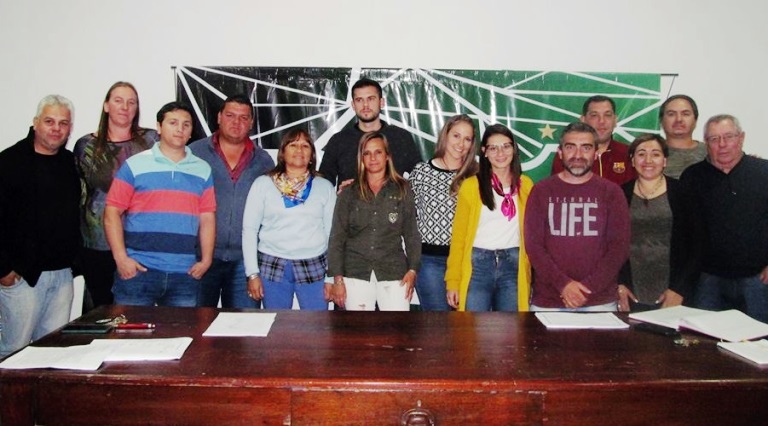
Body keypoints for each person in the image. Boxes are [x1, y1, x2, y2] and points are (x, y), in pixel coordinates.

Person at [104, 102, 216, 307]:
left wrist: (206, 260)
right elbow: (112, 212)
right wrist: (121, 259)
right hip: (138, 271)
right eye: (173, 123)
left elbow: (207, 217)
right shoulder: (134, 165)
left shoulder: (203, 169)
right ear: (159, 127)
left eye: (186, 124)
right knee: (130, 328)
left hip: (184, 273)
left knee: (181, 329)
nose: (180, 129)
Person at [0, 95, 80, 357]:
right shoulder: (9, 162)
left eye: (63, 123)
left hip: (62, 275)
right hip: (21, 276)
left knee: (52, 351)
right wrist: (4, 270)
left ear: (70, 128)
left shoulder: (69, 163)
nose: (56, 128)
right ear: (35, 123)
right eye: (49, 121)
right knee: (13, 351)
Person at [526, 122, 630, 311]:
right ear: (560, 152)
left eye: (586, 148)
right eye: (570, 147)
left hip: (599, 302)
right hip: (549, 302)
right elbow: (534, 247)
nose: (578, 155)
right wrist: (564, 285)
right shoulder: (541, 191)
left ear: (596, 153)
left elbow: (618, 248)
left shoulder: (612, 193)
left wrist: (587, 289)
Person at [73, 81, 157, 309]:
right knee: (99, 311)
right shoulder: (86, 146)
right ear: (106, 105)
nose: (125, 107)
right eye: (118, 101)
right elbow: (79, 195)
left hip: (138, 241)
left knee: (135, 313)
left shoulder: (152, 142)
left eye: (131, 102)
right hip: (96, 243)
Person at [681, 114, 768, 322]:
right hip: (707, 280)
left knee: (758, 338)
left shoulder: (764, 172)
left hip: (758, 279)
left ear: (741, 138)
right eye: (714, 139)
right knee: (705, 339)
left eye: (729, 137)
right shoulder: (692, 177)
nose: (722, 144)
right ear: (706, 143)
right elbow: (684, 232)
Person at [190, 95, 274, 309]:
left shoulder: (263, 160)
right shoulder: (194, 154)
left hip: (245, 261)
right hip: (200, 257)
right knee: (197, 322)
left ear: (251, 122)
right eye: (230, 115)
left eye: (243, 118)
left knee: (244, 325)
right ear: (219, 117)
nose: (236, 122)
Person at [242, 129, 336, 310]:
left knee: (317, 324)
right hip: (272, 263)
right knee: (277, 323)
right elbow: (249, 230)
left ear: (312, 155)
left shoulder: (324, 187)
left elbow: (333, 234)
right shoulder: (263, 184)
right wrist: (252, 274)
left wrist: (331, 277)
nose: (299, 150)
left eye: (305, 146)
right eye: (293, 145)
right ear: (283, 153)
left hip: (314, 264)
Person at [328, 131, 421, 311]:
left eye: (378, 152)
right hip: (355, 272)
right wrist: (337, 279)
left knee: (396, 328)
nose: (373, 158)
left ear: (387, 156)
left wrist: (413, 270)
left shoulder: (402, 189)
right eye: (367, 153)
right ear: (361, 158)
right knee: (359, 329)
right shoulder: (348, 192)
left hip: (393, 271)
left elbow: (412, 234)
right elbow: (337, 238)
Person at [445, 124, 533, 312]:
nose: (500, 153)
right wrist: (453, 281)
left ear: (514, 149)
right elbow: (459, 238)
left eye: (506, 146)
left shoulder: (526, 186)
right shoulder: (471, 186)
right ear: (484, 152)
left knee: (511, 327)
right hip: (478, 265)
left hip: (513, 265)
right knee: (472, 327)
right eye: (493, 148)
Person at [617, 134, 699, 312]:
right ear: (632, 161)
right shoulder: (620, 194)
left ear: (664, 161)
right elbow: (612, 244)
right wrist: (620, 283)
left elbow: (697, 246)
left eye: (655, 154)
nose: (648, 160)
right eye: (641, 154)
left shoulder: (684, 193)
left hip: (674, 290)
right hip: (631, 289)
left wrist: (679, 289)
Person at [407, 115, 478, 311]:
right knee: (438, 323)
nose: (461, 144)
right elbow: (406, 214)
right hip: (430, 260)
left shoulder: (476, 176)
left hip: (469, 261)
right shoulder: (421, 172)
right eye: (456, 136)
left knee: (467, 323)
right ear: (445, 135)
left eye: (467, 139)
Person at [319, 77, 422, 188]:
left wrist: (404, 191)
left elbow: (420, 177)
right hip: (351, 199)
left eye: (371, 99)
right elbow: (322, 184)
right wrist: (340, 192)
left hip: (393, 199)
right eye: (359, 100)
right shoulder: (339, 141)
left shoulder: (401, 137)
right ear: (353, 105)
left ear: (381, 102)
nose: (365, 105)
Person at [551, 95, 635, 186]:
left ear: (615, 120)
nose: (601, 121)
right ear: (583, 120)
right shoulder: (568, 155)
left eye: (607, 115)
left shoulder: (628, 154)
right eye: (594, 115)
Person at [659, 94, 707, 179]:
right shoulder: (650, 155)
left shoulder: (710, 153)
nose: (679, 119)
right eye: (671, 114)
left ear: (695, 120)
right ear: (661, 121)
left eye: (685, 114)